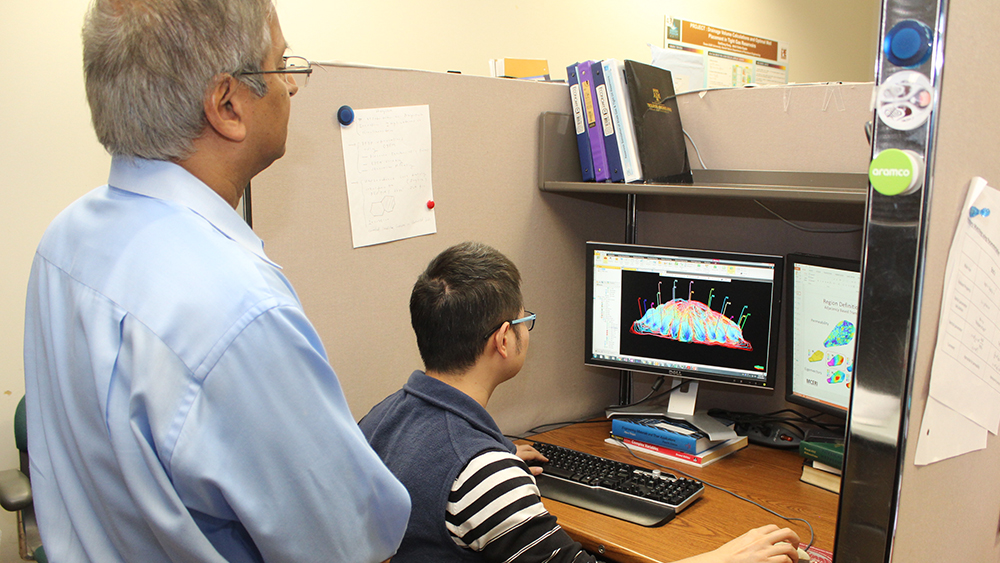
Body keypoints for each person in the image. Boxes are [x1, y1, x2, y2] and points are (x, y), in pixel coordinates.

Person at [22, 1, 409, 561]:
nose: (294, 89)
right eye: (283, 65)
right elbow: (349, 544)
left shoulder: (65, 242)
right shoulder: (239, 312)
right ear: (228, 104)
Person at [359, 241, 804, 563]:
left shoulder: (379, 419)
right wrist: (724, 559)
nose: (525, 332)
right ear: (503, 340)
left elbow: (436, 469)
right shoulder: (480, 475)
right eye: (524, 322)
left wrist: (497, 455)